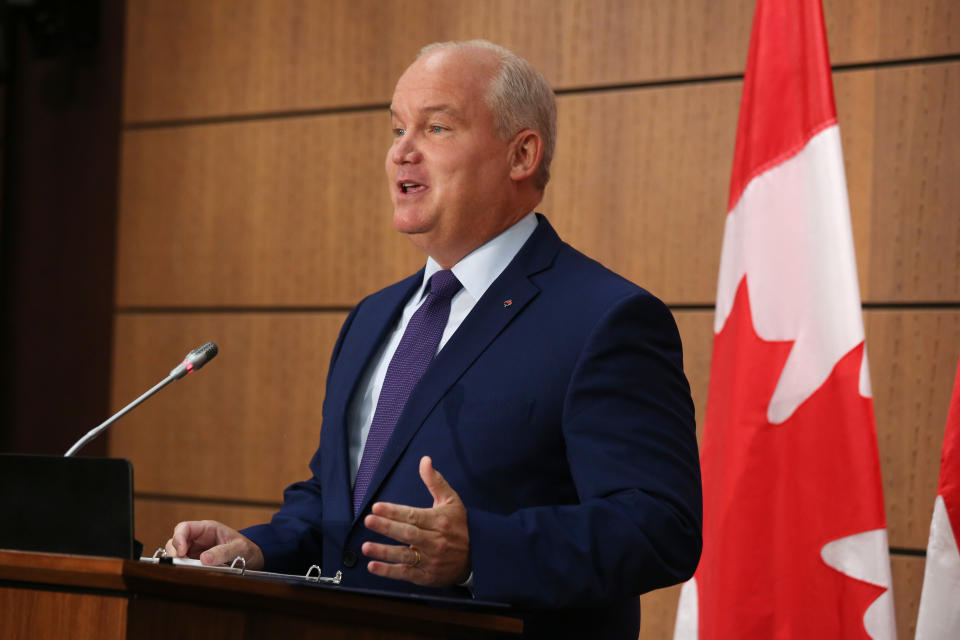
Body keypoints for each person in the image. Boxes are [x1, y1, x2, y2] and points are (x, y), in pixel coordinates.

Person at [165, 40, 702, 638]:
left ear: (522, 154)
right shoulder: (372, 317)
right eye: (397, 129)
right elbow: (339, 502)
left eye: (436, 127)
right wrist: (259, 549)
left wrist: (481, 553)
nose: (401, 152)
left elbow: (659, 527)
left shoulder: (606, 319)